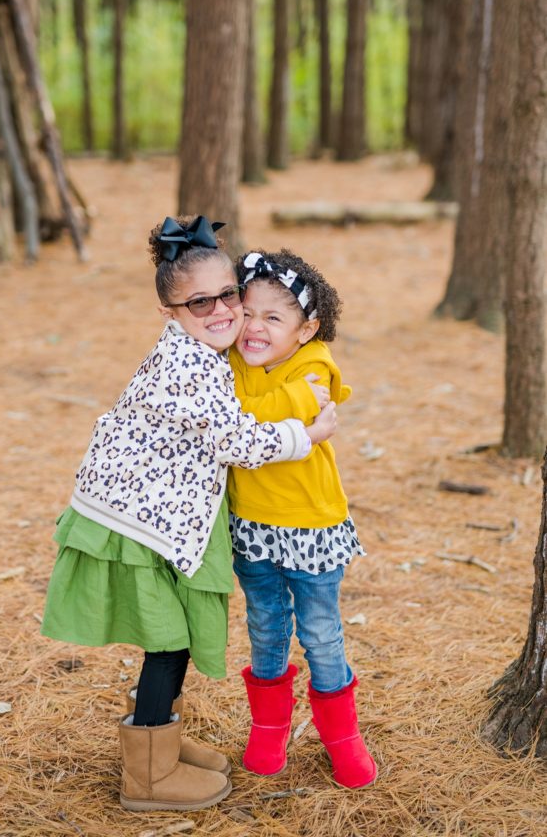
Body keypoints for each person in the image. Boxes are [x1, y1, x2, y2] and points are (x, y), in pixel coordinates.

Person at [40, 218, 338, 813]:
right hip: (134, 523)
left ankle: (163, 743)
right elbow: (237, 441)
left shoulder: (201, 350)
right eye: (200, 302)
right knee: (168, 639)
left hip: (156, 511)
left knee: (169, 638)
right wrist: (307, 434)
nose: (222, 310)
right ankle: (148, 775)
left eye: (229, 294)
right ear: (169, 311)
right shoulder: (191, 364)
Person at [228, 248, 377, 789]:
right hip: (252, 522)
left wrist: (258, 409)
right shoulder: (230, 361)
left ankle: (342, 736)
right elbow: (234, 418)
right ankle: (269, 727)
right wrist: (276, 404)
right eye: (247, 312)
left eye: (274, 317)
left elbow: (251, 415)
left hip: (311, 524)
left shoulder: (315, 364)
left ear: (307, 328)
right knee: (266, 625)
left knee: (320, 632)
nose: (255, 327)